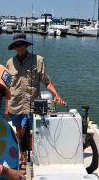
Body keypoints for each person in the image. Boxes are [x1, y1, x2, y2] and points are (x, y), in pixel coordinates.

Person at [5, 33, 66, 169]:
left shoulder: (38, 60)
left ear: (26, 45)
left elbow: (47, 82)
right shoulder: (10, 63)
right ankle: (21, 155)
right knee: (19, 131)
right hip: (16, 104)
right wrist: (7, 105)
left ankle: (34, 156)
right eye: (16, 45)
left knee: (33, 132)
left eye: (22, 44)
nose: (19, 47)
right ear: (14, 47)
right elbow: (8, 87)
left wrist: (57, 95)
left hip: (33, 105)